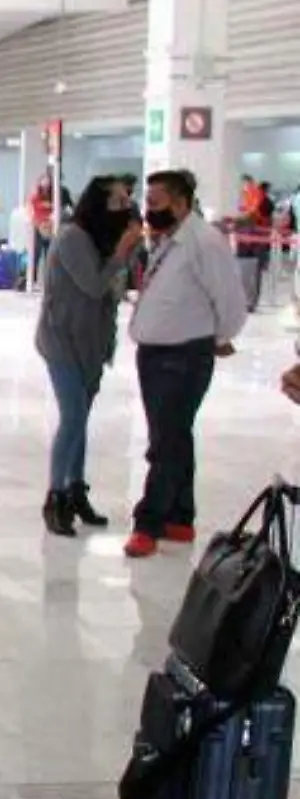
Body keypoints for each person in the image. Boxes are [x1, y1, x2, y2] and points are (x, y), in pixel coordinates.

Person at [125, 169, 249, 559]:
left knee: (166, 440)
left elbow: (230, 301)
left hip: (183, 356)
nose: (149, 209)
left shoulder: (204, 242)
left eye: (155, 202)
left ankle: (148, 523)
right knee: (175, 436)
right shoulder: (169, 240)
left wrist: (218, 338)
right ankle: (180, 516)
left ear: (180, 203)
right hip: (155, 354)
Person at [35, 176, 143, 537]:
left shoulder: (101, 239)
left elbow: (114, 292)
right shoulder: (72, 238)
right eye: (117, 202)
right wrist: (120, 253)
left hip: (93, 344)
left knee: (81, 419)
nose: (124, 208)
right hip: (63, 341)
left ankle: (75, 489)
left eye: (127, 201)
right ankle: (55, 496)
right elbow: (94, 285)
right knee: (73, 416)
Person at [28, 171, 74, 291]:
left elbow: (69, 208)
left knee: (50, 254)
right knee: (36, 254)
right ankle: (32, 279)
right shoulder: (37, 193)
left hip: (53, 227)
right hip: (38, 227)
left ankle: (50, 281)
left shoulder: (61, 192)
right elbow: (32, 208)